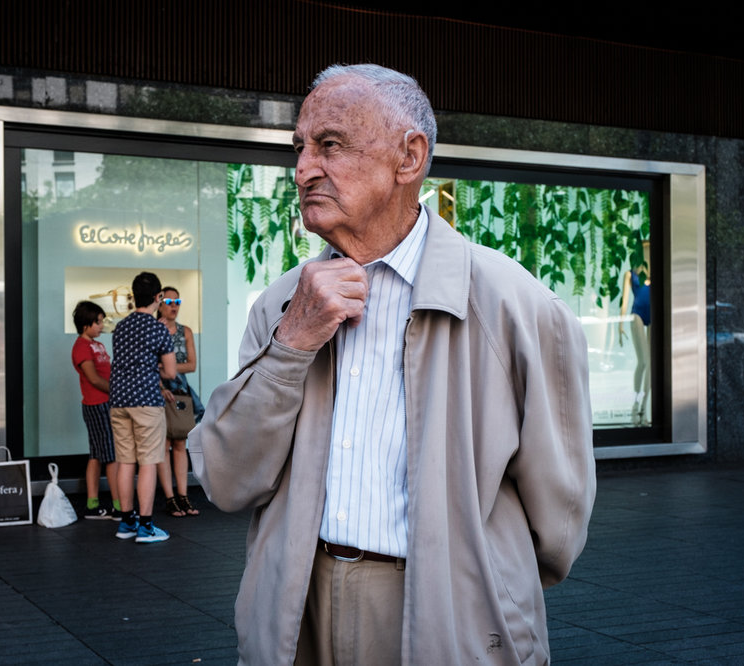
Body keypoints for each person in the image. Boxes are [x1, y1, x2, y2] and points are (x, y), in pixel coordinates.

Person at [188, 64, 596, 664]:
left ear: (409, 158)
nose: (303, 169)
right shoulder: (281, 304)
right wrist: (293, 342)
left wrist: (487, 585)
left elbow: (559, 519)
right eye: (299, 148)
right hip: (296, 611)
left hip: (446, 617)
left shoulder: (514, 305)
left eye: (330, 145)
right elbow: (226, 479)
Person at [109, 272, 176, 543]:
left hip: (119, 400)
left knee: (125, 461)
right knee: (148, 462)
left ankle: (127, 522)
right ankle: (146, 527)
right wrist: (152, 365)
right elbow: (171, 372)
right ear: (158, 297)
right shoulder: (159, 330)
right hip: (147, 400)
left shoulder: (120, 327)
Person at [70, 300, 121, 519]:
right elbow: (93, 378)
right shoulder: (81, 347)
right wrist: (117, 391)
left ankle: (93, 504)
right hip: (97, 404)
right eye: (98, 322)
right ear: (86, 325)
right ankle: (119, 507)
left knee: (96, 454)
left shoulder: (96, 344)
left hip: (105, 402)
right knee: (111, 456)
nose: (102, 326)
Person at [156, 287, 201, 517]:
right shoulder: (154, 329)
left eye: (177, 301)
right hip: (158, 391)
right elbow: (148, 363)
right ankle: (169, 498)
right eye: (169, 301)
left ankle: (183, 495)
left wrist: (166, 368)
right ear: (159, 304)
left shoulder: (186, 331)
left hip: (181, 392)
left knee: (181, 443)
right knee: (164, 445)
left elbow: (192, 365)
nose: (174, 306)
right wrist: (163, 380)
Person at [619, 239, 651, 425]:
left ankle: (643, 410)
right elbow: (624, 301)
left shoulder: (654, 273)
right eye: (645, 250)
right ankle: (635, 405)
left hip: (653, 315)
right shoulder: (630, 274)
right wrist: (620, 324)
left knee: (651, 365)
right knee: (643, 362)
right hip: (637, 314)